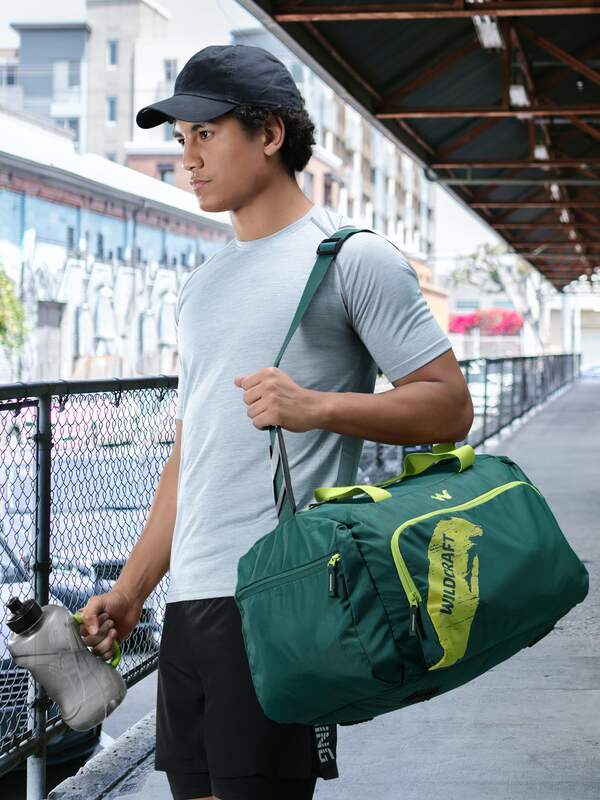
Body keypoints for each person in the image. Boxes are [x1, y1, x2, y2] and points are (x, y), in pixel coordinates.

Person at [79, 44, 473, 800]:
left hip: (278, 595)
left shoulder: (351, 259)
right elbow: (191, 454)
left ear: (270, 134)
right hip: (191, 602)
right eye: (181, 139)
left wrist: (316, 407)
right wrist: (132, 591)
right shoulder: (202, 283)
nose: (189, 158)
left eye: (206, 133)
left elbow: (449, 405)